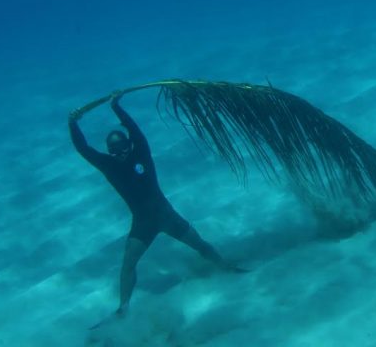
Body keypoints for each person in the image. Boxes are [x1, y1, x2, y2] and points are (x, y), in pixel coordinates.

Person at [68, 91, 244, 317]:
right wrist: (73, 124)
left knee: (200, 244)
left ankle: (225, 267)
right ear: (109, 152)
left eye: (122, 147)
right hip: (142, 224)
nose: (118, 153)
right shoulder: (107, 165)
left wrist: (116, 107)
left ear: (128, 145)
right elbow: (83, 149)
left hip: (167, 216)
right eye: (113, 150)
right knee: (128, 264)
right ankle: (123, 308)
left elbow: (136, 133)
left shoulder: (141, 152)